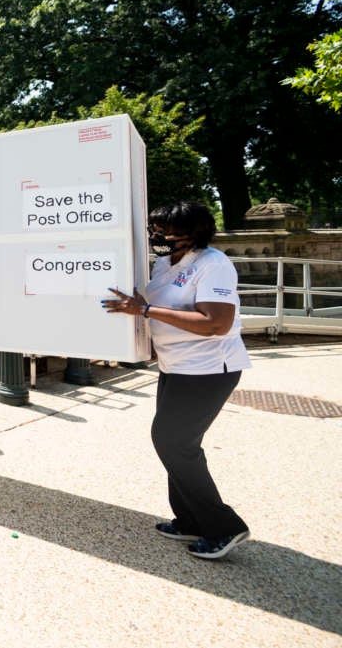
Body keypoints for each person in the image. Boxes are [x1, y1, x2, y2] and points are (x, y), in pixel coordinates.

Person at [103, 200, 251, 560]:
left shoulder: (213, 264)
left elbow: (216, 323)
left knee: (173, 442)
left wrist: (147, 310)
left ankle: (224, 526)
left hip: (208, 369)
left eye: (164, 230)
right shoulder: (163, 263)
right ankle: (189, 519)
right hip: (174, 365)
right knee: (175, 444)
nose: (157, 235)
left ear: (193, 232)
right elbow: (161, 309)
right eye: (155, 229)